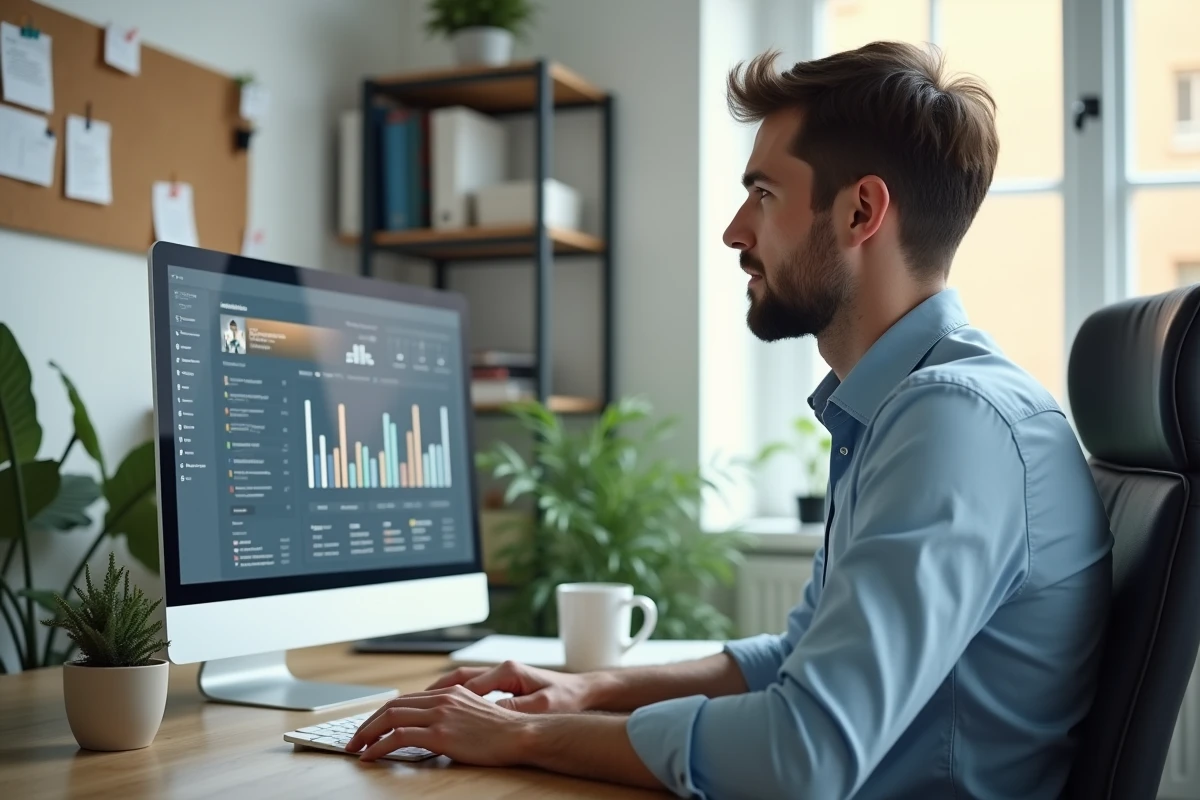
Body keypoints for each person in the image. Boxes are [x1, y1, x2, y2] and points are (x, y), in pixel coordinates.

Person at [346, 41, 1112, 799]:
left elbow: (802, 754)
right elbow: (795, 656)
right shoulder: (903, 410)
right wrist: (588, 690)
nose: (735, 231)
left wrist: (524, 737)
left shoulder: (953, 423)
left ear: (860, 211)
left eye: (764, 194)